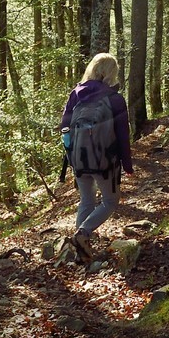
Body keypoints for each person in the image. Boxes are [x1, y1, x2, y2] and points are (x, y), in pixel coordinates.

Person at [59, 52, 133, 257]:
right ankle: (82, 233)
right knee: (110, 201)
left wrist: (72, 155)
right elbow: (122, 134)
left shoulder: (76, 93)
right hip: (105, 161)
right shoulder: (115, 99)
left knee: (86, 200)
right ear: (112, 73)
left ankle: (77, 248)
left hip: (78, 159)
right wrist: (127, 165)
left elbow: (64, 126)